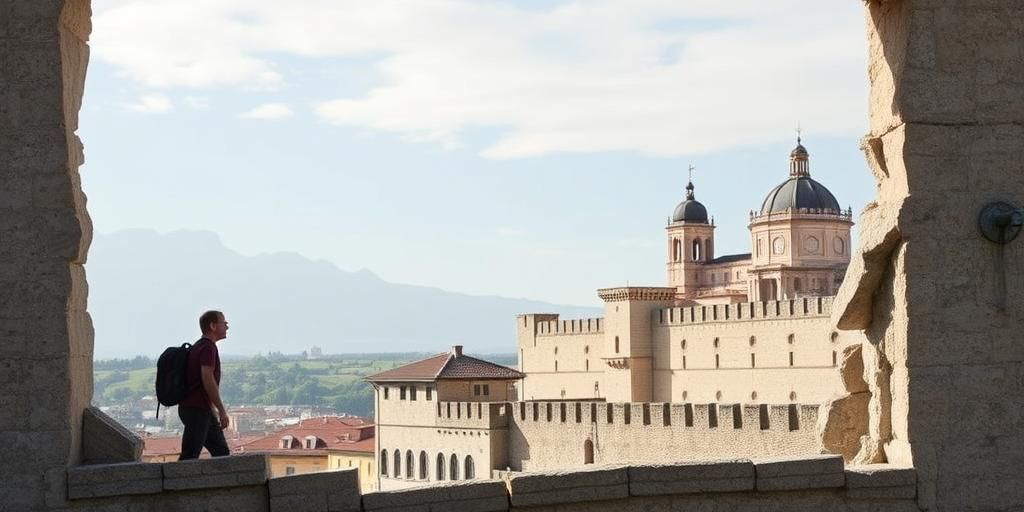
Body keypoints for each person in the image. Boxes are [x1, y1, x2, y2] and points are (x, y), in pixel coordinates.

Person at [178, 310, 231, 460]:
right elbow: (207, 378)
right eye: (224, 323)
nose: (227, 327)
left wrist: (213, 409)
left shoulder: (199, 346)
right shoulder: (208, 348)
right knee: (189, 456)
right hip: (197, 409)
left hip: (199, 409)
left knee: (221, 452)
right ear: (213, 326)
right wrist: (221, 409)